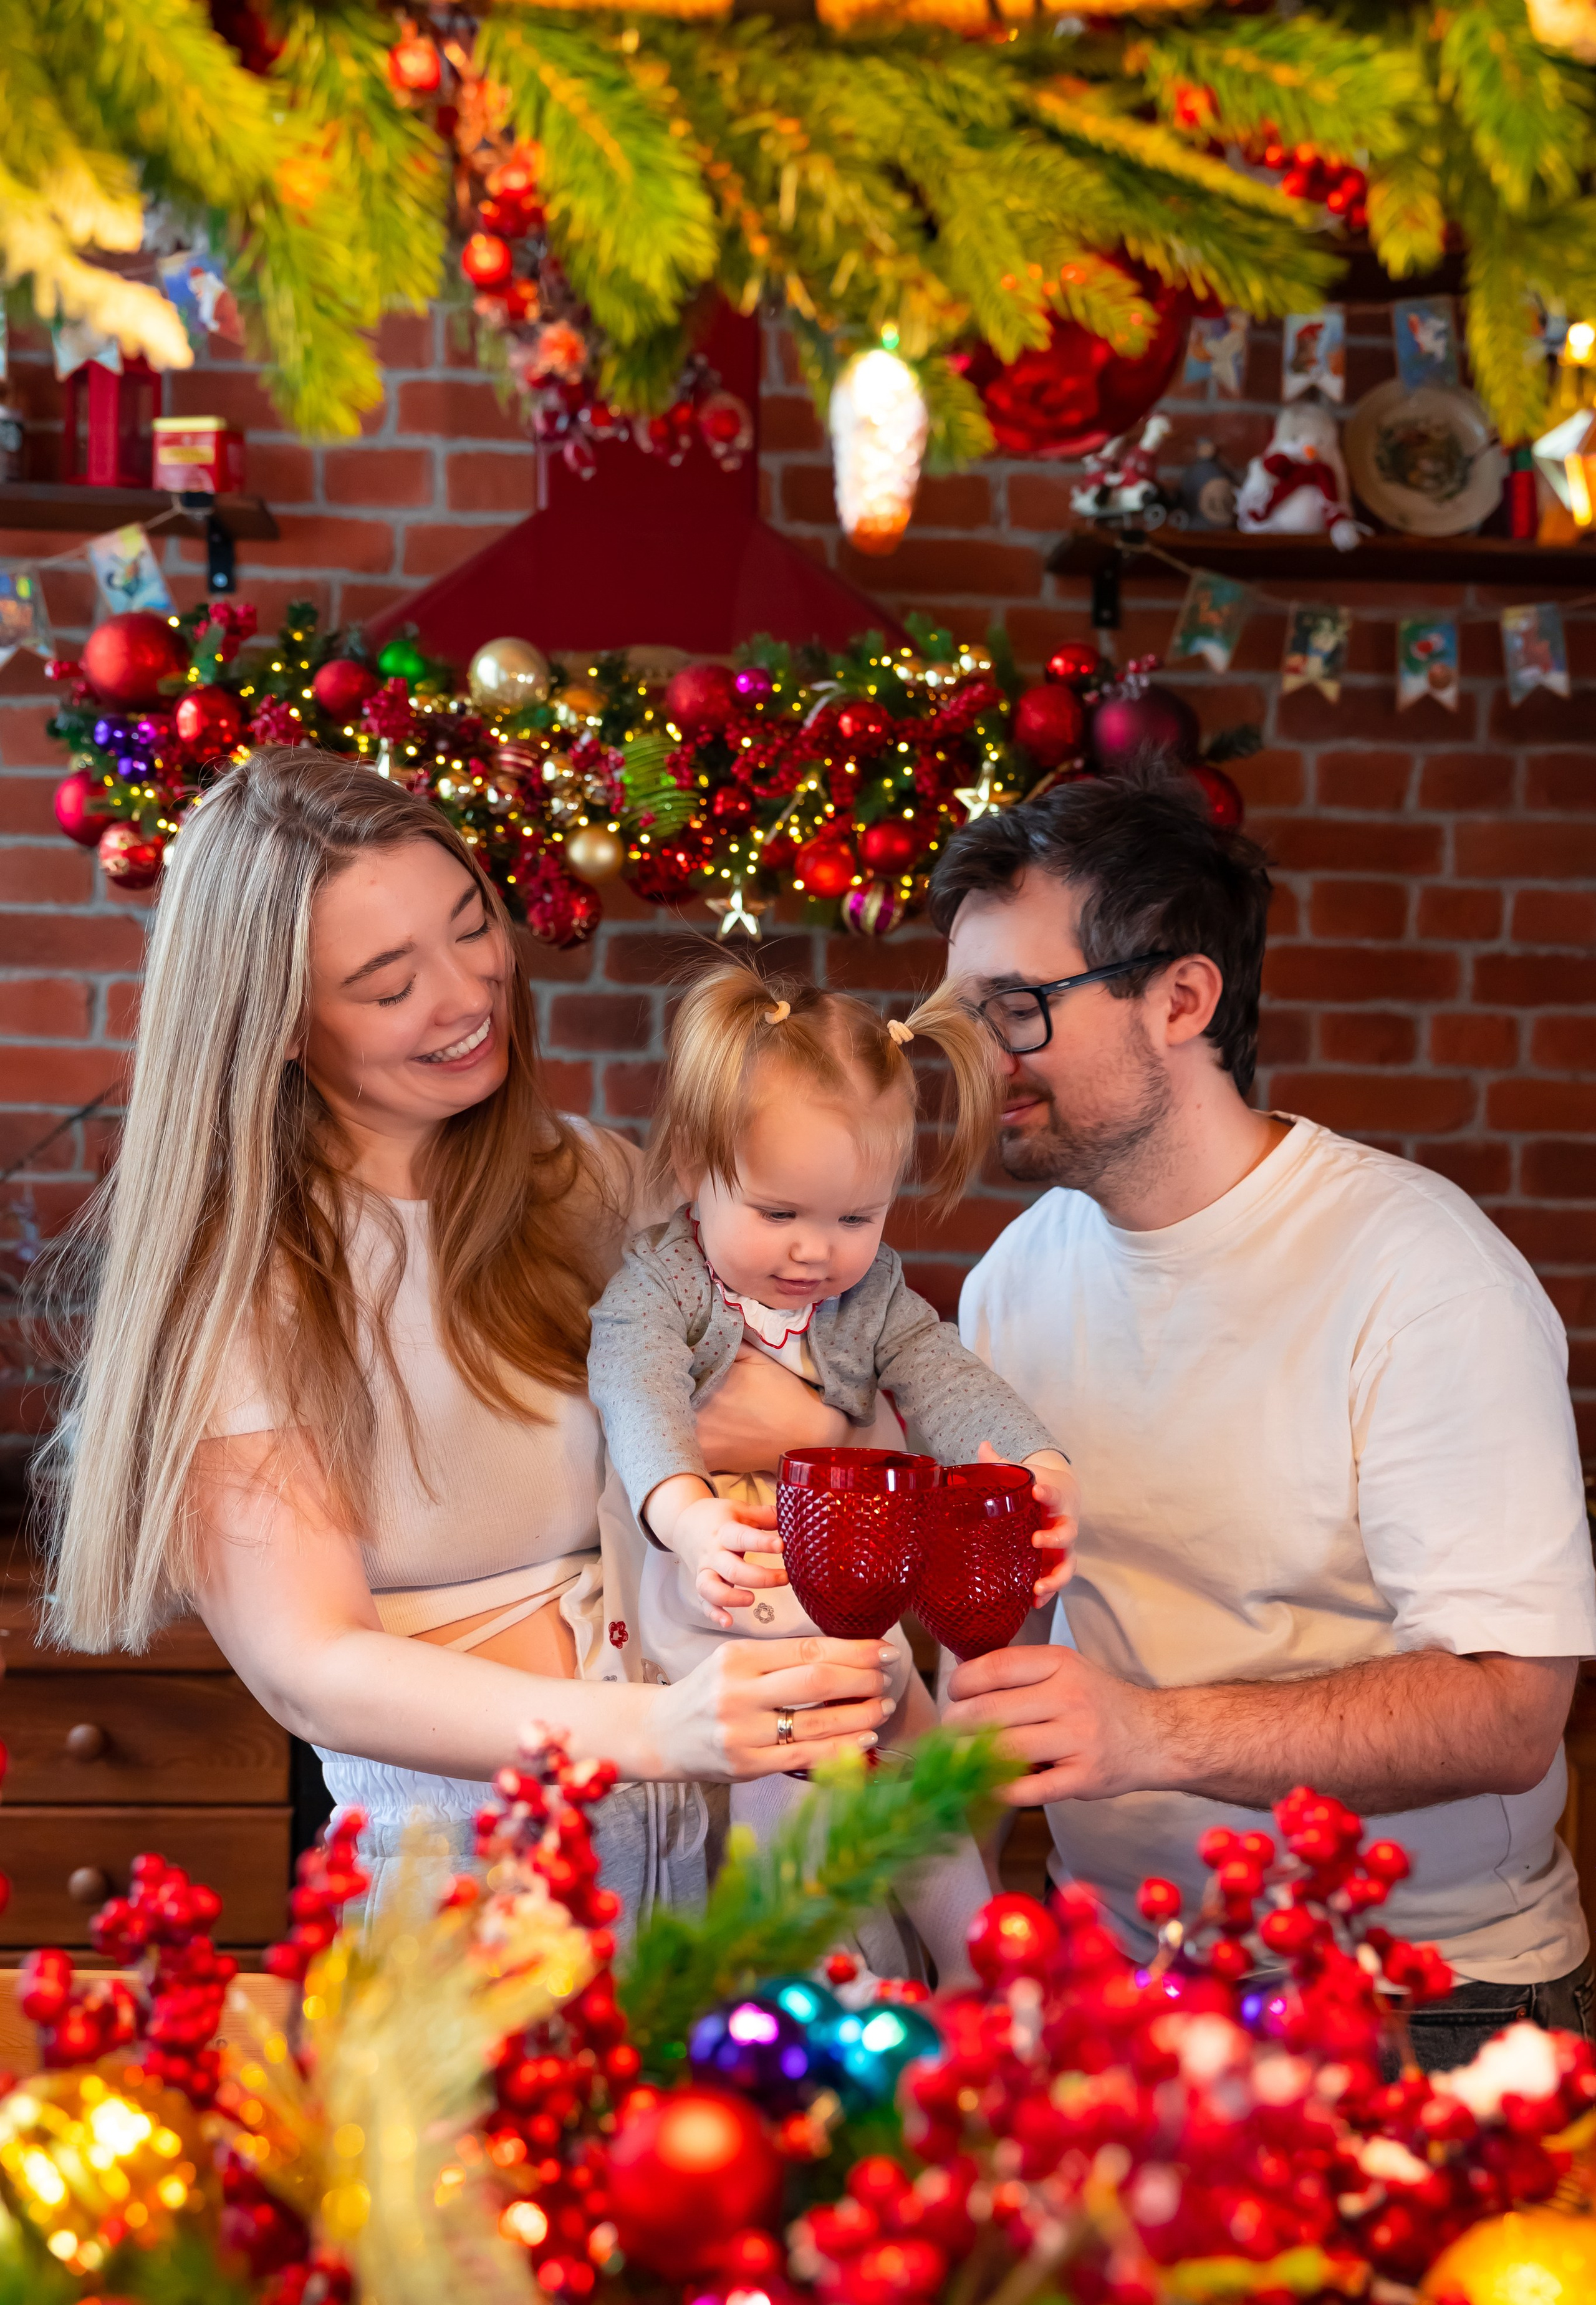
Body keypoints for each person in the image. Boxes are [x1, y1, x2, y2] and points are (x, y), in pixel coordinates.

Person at [36, 749, 896, 1923]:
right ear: (279, 1026)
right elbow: (316, 1668)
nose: (468, 995)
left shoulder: (597, 1183)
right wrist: (654, 1727)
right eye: (388, 984)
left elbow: (829, 1402)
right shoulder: (244, 1286)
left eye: (470, 927)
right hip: (466, 1898)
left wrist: (798, 1420)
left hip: (725, 1871)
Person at [933, 766, 1596, 2069]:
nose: (976, 1059)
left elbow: (1511, 1710)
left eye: (1014, 1009)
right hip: (1112, 1975)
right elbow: (995, 1656)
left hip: (1422, 2002)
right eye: (958, 1016)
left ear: (1180, 999)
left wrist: (1144, 1734)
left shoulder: (1415, 1269)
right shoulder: (1013, 1278)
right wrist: (950, 1942)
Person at [588, 958, 1077, 1978]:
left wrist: (1035, 1462)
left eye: (855, 1220)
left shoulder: (871, 1298)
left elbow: (941, 1371)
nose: (817, 1252)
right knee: (790, 1766)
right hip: (731, 1589)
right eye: (779, 1214)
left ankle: (978, 1965)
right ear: (691, 1171)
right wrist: (684, 1516)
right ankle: (806, 1976)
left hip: (847, 1601)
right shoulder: (661, 1286)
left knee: (913, 1759)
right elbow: (636, 1395)